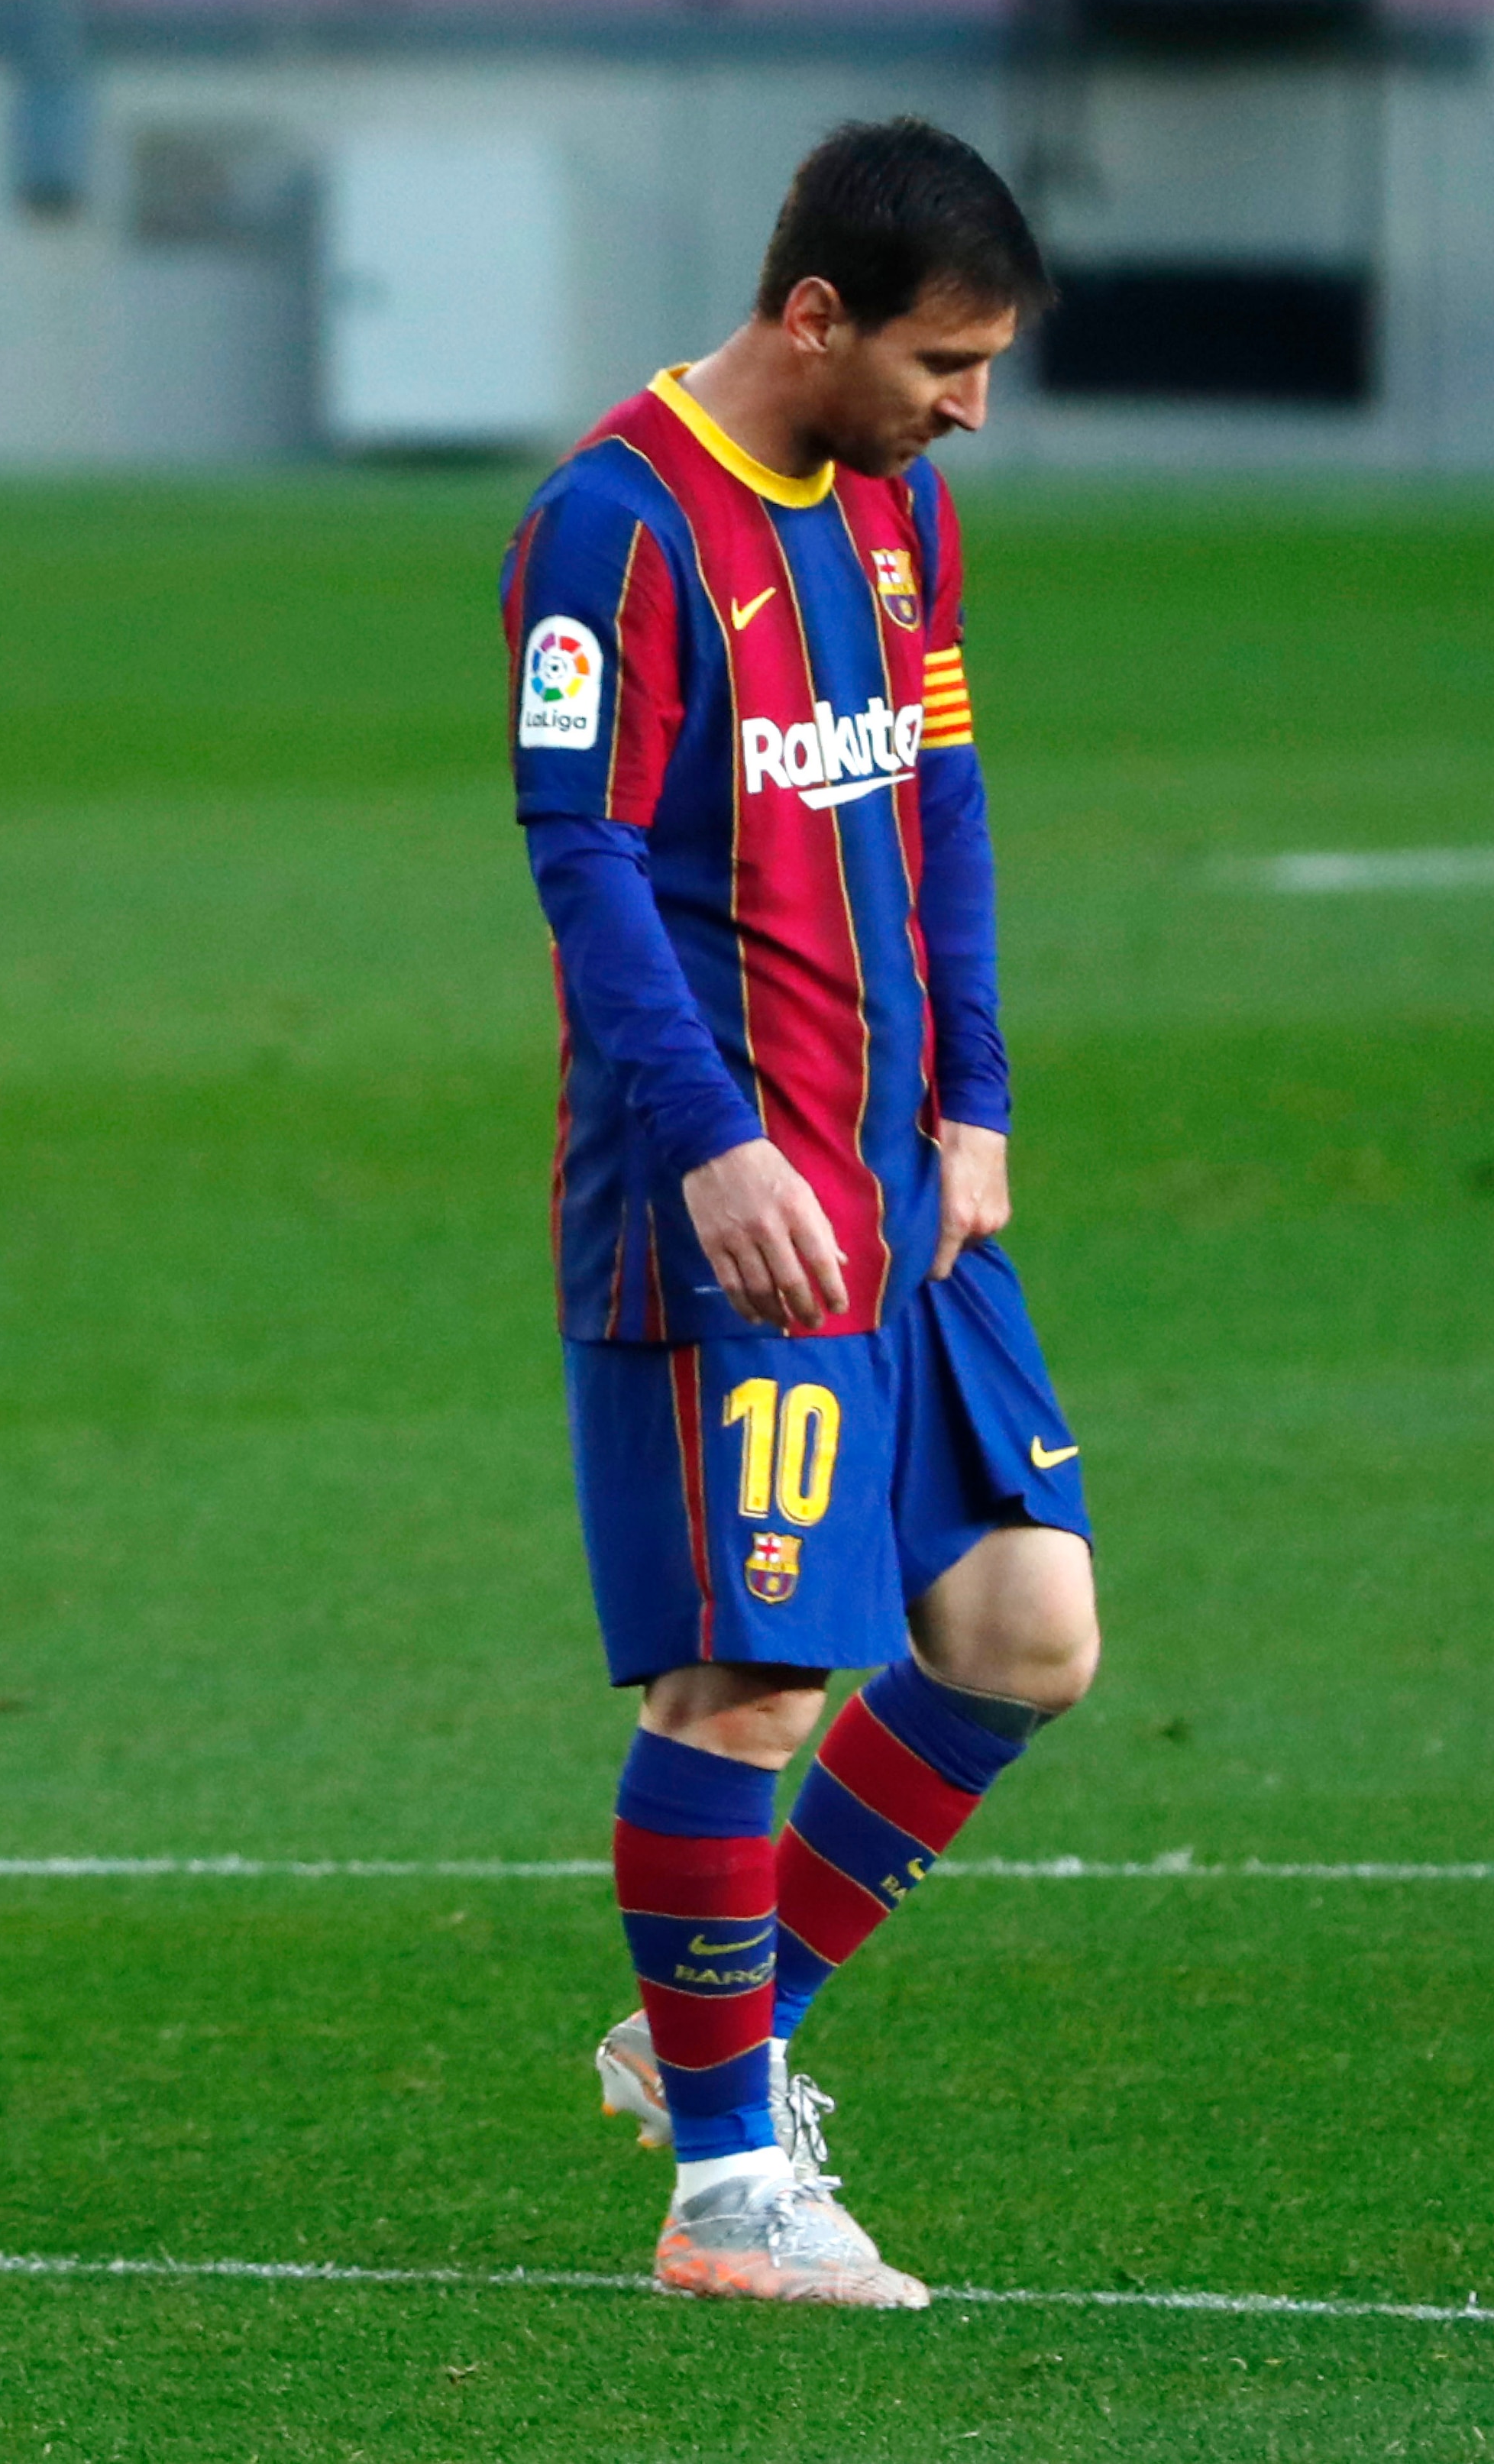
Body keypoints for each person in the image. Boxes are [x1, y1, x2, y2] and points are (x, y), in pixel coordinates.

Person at [498, 118, 1095, 2308]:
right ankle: (730, 2192)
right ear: (813, 316)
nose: (971, 407)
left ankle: (696, 2041)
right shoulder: (614, 529)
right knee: (749, 1681)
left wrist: (979, 1105)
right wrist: (715, 1144)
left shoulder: (901, 514)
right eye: (946, 359)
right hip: (731, 1206)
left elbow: (937, 792)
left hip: (906, 1183)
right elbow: (583, 866)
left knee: (1027, 1634)